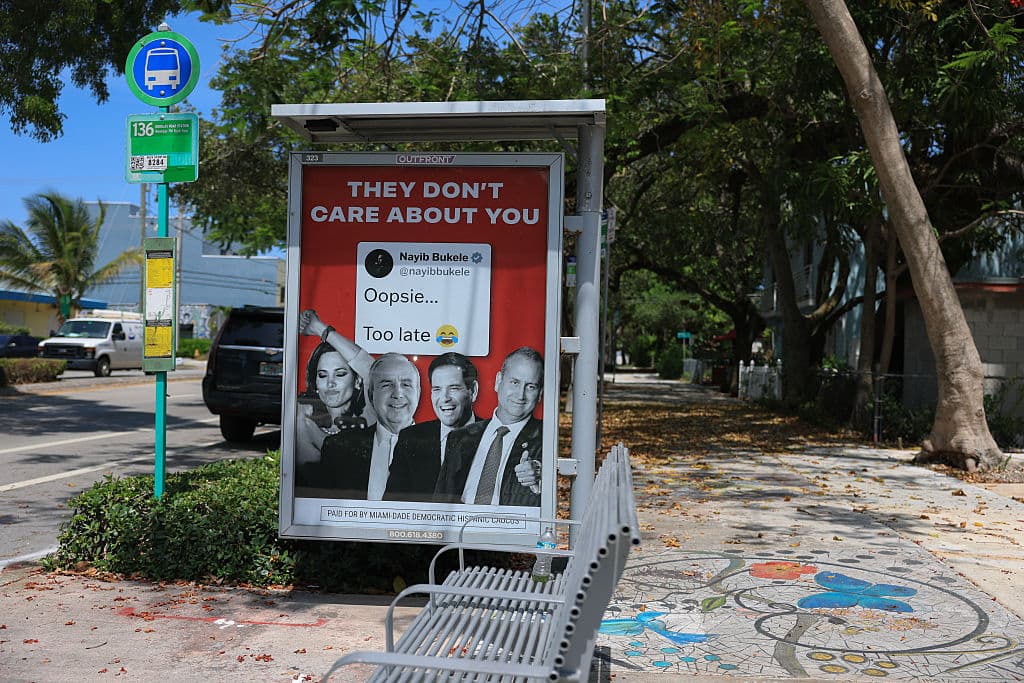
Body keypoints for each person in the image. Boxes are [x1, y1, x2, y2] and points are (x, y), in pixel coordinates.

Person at [433, 347, 544, 507]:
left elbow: (548, 477)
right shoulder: (459, 437)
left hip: (509, 530)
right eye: (514, 382)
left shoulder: (545, 438)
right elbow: (440, 501)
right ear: (499, 381)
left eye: (531, 387)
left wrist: (542, 475)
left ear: (540, 394)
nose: (520, 395)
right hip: (459, 527)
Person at [301, 353, 420, 499]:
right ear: (371, 395)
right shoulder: (337, 447)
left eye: (406, 385)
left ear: (418, 393)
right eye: (386, 385)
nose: (397, 394)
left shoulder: (444, 448)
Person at [384, 353, 480, 501]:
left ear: (472, 390)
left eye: (453, 388)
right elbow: (393, 506)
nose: (444, 398)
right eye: (437, 389)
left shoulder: (494, 435)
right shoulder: (410, 439)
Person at [294, 309, 375, 466]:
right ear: (315, 384)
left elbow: (372, 371)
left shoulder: (371, 417)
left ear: (357, 381)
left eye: (340, 374)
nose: (330, 383)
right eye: (323, 376)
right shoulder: (303, 422)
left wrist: (319, 328)